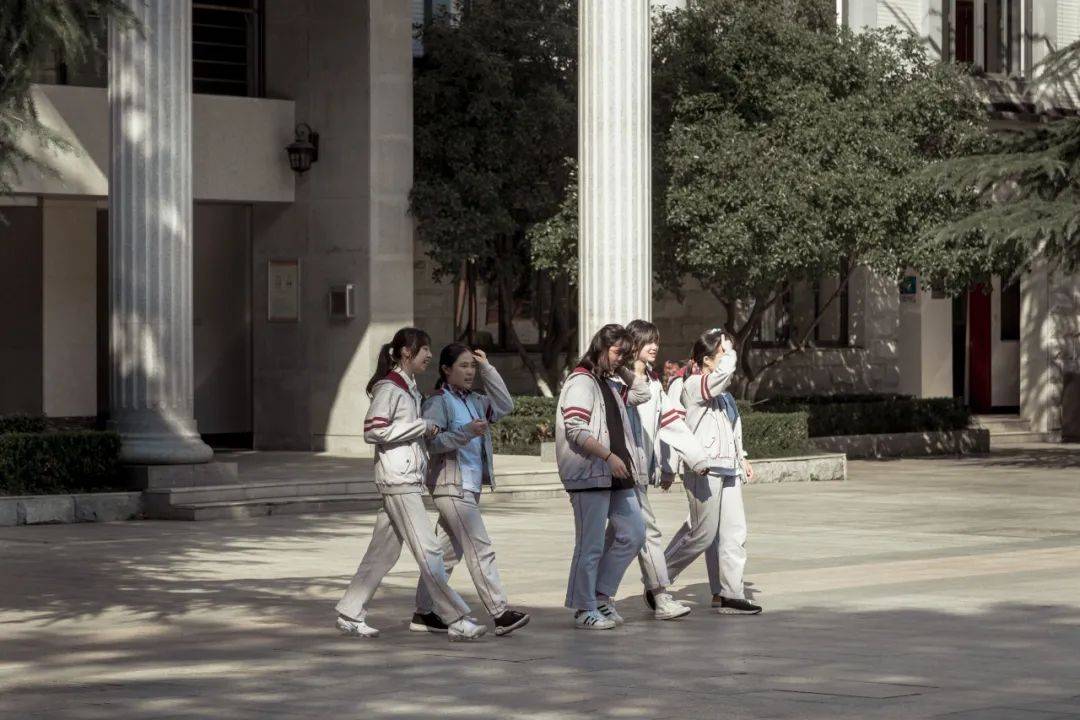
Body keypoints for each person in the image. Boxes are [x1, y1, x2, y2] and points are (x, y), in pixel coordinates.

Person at [334, 327, 487, 641]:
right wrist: (420, 425)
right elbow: (372, 430)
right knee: (429, 551)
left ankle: (350, 611)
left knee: (382, 553)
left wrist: (429, 429)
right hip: (398, 480)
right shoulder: (389, 388)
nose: (429, 356)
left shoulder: (408, 387)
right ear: (406, 352)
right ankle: (456, 618)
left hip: (403, 479)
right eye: (424, 350)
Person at [411, 344, 531, 637]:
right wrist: (466, 433)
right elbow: (434, 444)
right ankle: (499, 612)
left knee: (446, 554)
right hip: (451, 486)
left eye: (472, 367)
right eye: (463, 366)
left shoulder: (476, 401)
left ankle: (424, 612)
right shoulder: (438, 402)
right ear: (446, 370)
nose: (469, 372)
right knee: (480, 548)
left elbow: (505, 405)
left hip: (470, 485)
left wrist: (487, 367)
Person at [613, 320, 711, 621]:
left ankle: (594, 598)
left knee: (621, 537)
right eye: (648, 342)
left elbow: (669, 422)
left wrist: (692, 458)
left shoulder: (654, 383)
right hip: (620, 470)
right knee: (647, 532)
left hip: (638, 473)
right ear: (634, 345)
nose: (655, 346)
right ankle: (660, 595)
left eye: (656, 341)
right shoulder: (618, 383)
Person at [555, 323, 651, 630]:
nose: (622, 358)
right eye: (617, 351)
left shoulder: (608, 382)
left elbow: (642, 392)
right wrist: (607, 456)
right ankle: (584, 606)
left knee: (634, 532)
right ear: (600, 347)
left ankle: (600, 595)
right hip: (591, 472)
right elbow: (575, 429)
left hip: (616, 473)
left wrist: (619, 367)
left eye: (626, 353)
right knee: (591, 544)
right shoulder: (581, 382)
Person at [663, 328, 762, 615]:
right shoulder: (694, 386)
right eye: (722, 352)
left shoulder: (724, 397)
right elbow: (719, 379)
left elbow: (733, 429)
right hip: (703, 469)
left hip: (728, 469)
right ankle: (658, 578)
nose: (728, 356)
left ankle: (729, 593)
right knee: (702, 534)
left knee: (733, 533)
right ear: (707, 360)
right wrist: (731, 351)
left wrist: (741, 457)